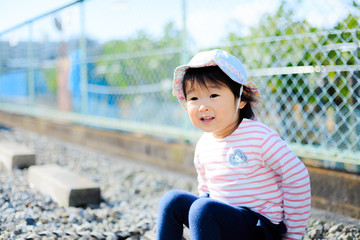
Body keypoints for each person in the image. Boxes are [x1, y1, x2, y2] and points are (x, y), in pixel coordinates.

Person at [156, 49, 311, 240]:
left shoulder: (259, 137)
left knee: (204, 209)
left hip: (259, 229)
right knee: (173, 201)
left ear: (241, 99)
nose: (203, 105)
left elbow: (297, 175)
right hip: (223, 221)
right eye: (194, 98)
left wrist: (293, 235)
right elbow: (206, 189)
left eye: (213, 95)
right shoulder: (204, 144)